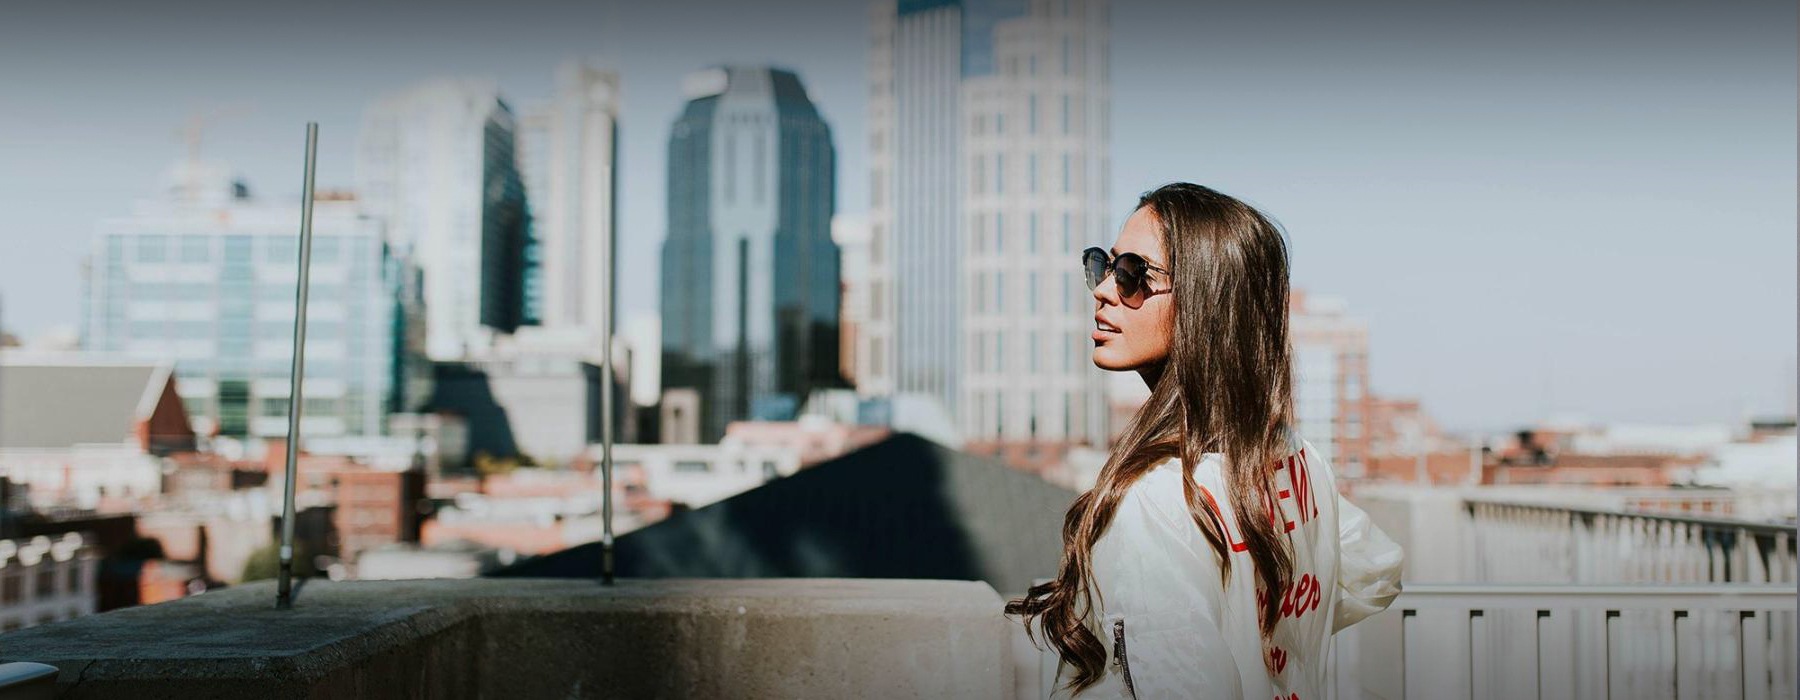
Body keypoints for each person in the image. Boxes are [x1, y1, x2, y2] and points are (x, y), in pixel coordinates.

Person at [1005, 183, 1404, 699]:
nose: (1103, 289)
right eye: (1104, 266)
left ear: (1205, 303)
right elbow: (1376, 569)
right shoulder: (1292, 455)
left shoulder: (1155, 499)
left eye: (1132, 274)